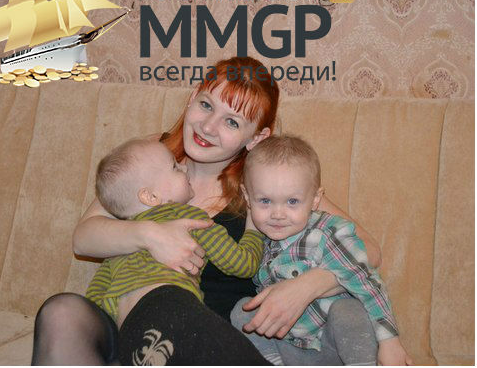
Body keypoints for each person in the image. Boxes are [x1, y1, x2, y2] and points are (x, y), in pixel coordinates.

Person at [31, 56, 383, 365]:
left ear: (256, 138)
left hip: (206, 337)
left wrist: (308, 286)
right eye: (206, 105)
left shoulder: (265, 185)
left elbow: (369, 248)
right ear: (191, 98)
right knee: (61, 312)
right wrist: (152, 235)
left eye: (232, 122)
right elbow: (84, 238)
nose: (208, 127)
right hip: (128, 319)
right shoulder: (154, 155)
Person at [231, 135, 412, 366]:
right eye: (265, 201)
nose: (277, 214)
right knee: (243, 310)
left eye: (292, 202)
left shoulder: (327, 233)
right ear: (247, 197)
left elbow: (367, 283)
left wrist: (390, 341)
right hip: (289, 348)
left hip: (334, 345)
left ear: (316, 199)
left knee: (347, 310)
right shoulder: (261, 242)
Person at [86, 138, 268, 364]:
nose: (184, 167)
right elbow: (241, 264)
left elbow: (94, 300)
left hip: (127, 333)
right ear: (151, 197)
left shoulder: (120, 242)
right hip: (171, 306)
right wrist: (253, 231)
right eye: (174, 166)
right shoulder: (188, 217)